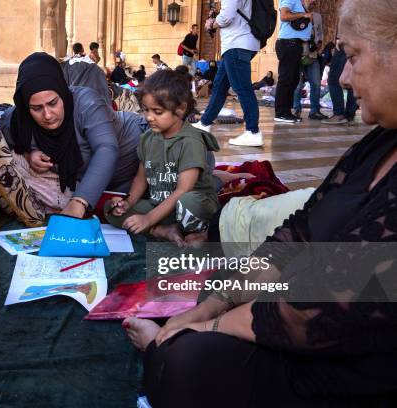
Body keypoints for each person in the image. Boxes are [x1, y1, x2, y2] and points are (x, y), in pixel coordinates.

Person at [123, 0, 397, 405]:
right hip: (297, 310)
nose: (342, 76)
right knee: (214, 283)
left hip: (349, 360)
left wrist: (211, 325)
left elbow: (322, 306)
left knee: (187, 362)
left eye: (352, 56)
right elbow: (298, 231)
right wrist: (216, 304)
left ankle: (163, 349)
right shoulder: (378, 144)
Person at [0, 53, 148, 218]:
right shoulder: (15, 120)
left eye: (53, 103)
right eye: (37, 108)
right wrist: (29, 153)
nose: (47, 115)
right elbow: (9, 140)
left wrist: (79, 202)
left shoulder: (86, 102)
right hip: (97, 186)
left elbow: (106, 149)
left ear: (62, 93)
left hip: (134, 158)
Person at [105, 70, 219, 246]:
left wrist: (149, 219)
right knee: (110, 210)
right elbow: (141, 179)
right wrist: (127, 203)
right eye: (146, 110)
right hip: (160, 206)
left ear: (180, 109)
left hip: (189, 206)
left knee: (188, 202)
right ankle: (163, 231)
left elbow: (183, 190)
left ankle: (199, 231)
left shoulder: (190, 141)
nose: (149, 117)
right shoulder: (147, 138)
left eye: (157, 111)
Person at [192, 0, 263, 147]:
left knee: (242, 88)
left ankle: (253, 132)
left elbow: (227, 16)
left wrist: (211, 24)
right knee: (219, 86)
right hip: (240, 43)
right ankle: (204, 123)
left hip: (237, 43)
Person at [274, 0, 314, 123]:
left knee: (294, 79)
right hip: (288, 43)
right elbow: (284, 16)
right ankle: (280, 113)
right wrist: (303, 15)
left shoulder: (300, 3)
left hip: (296, 44)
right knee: (286, 78)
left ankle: (286, 112)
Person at [293, 5, 328, 120]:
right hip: (299, 54)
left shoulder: (317, 16)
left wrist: (318, 46)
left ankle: (315, 111)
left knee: (316, 84)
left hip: (313, 55)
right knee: (297, 85)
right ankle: (296, 109)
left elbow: (320, 32)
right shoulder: (295, 12)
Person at [322, 32, 358, 125]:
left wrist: (341, 39)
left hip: (347, 41)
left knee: (333, 80)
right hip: (359, 41)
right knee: (352, 79)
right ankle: (350, 116)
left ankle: (339, 115)